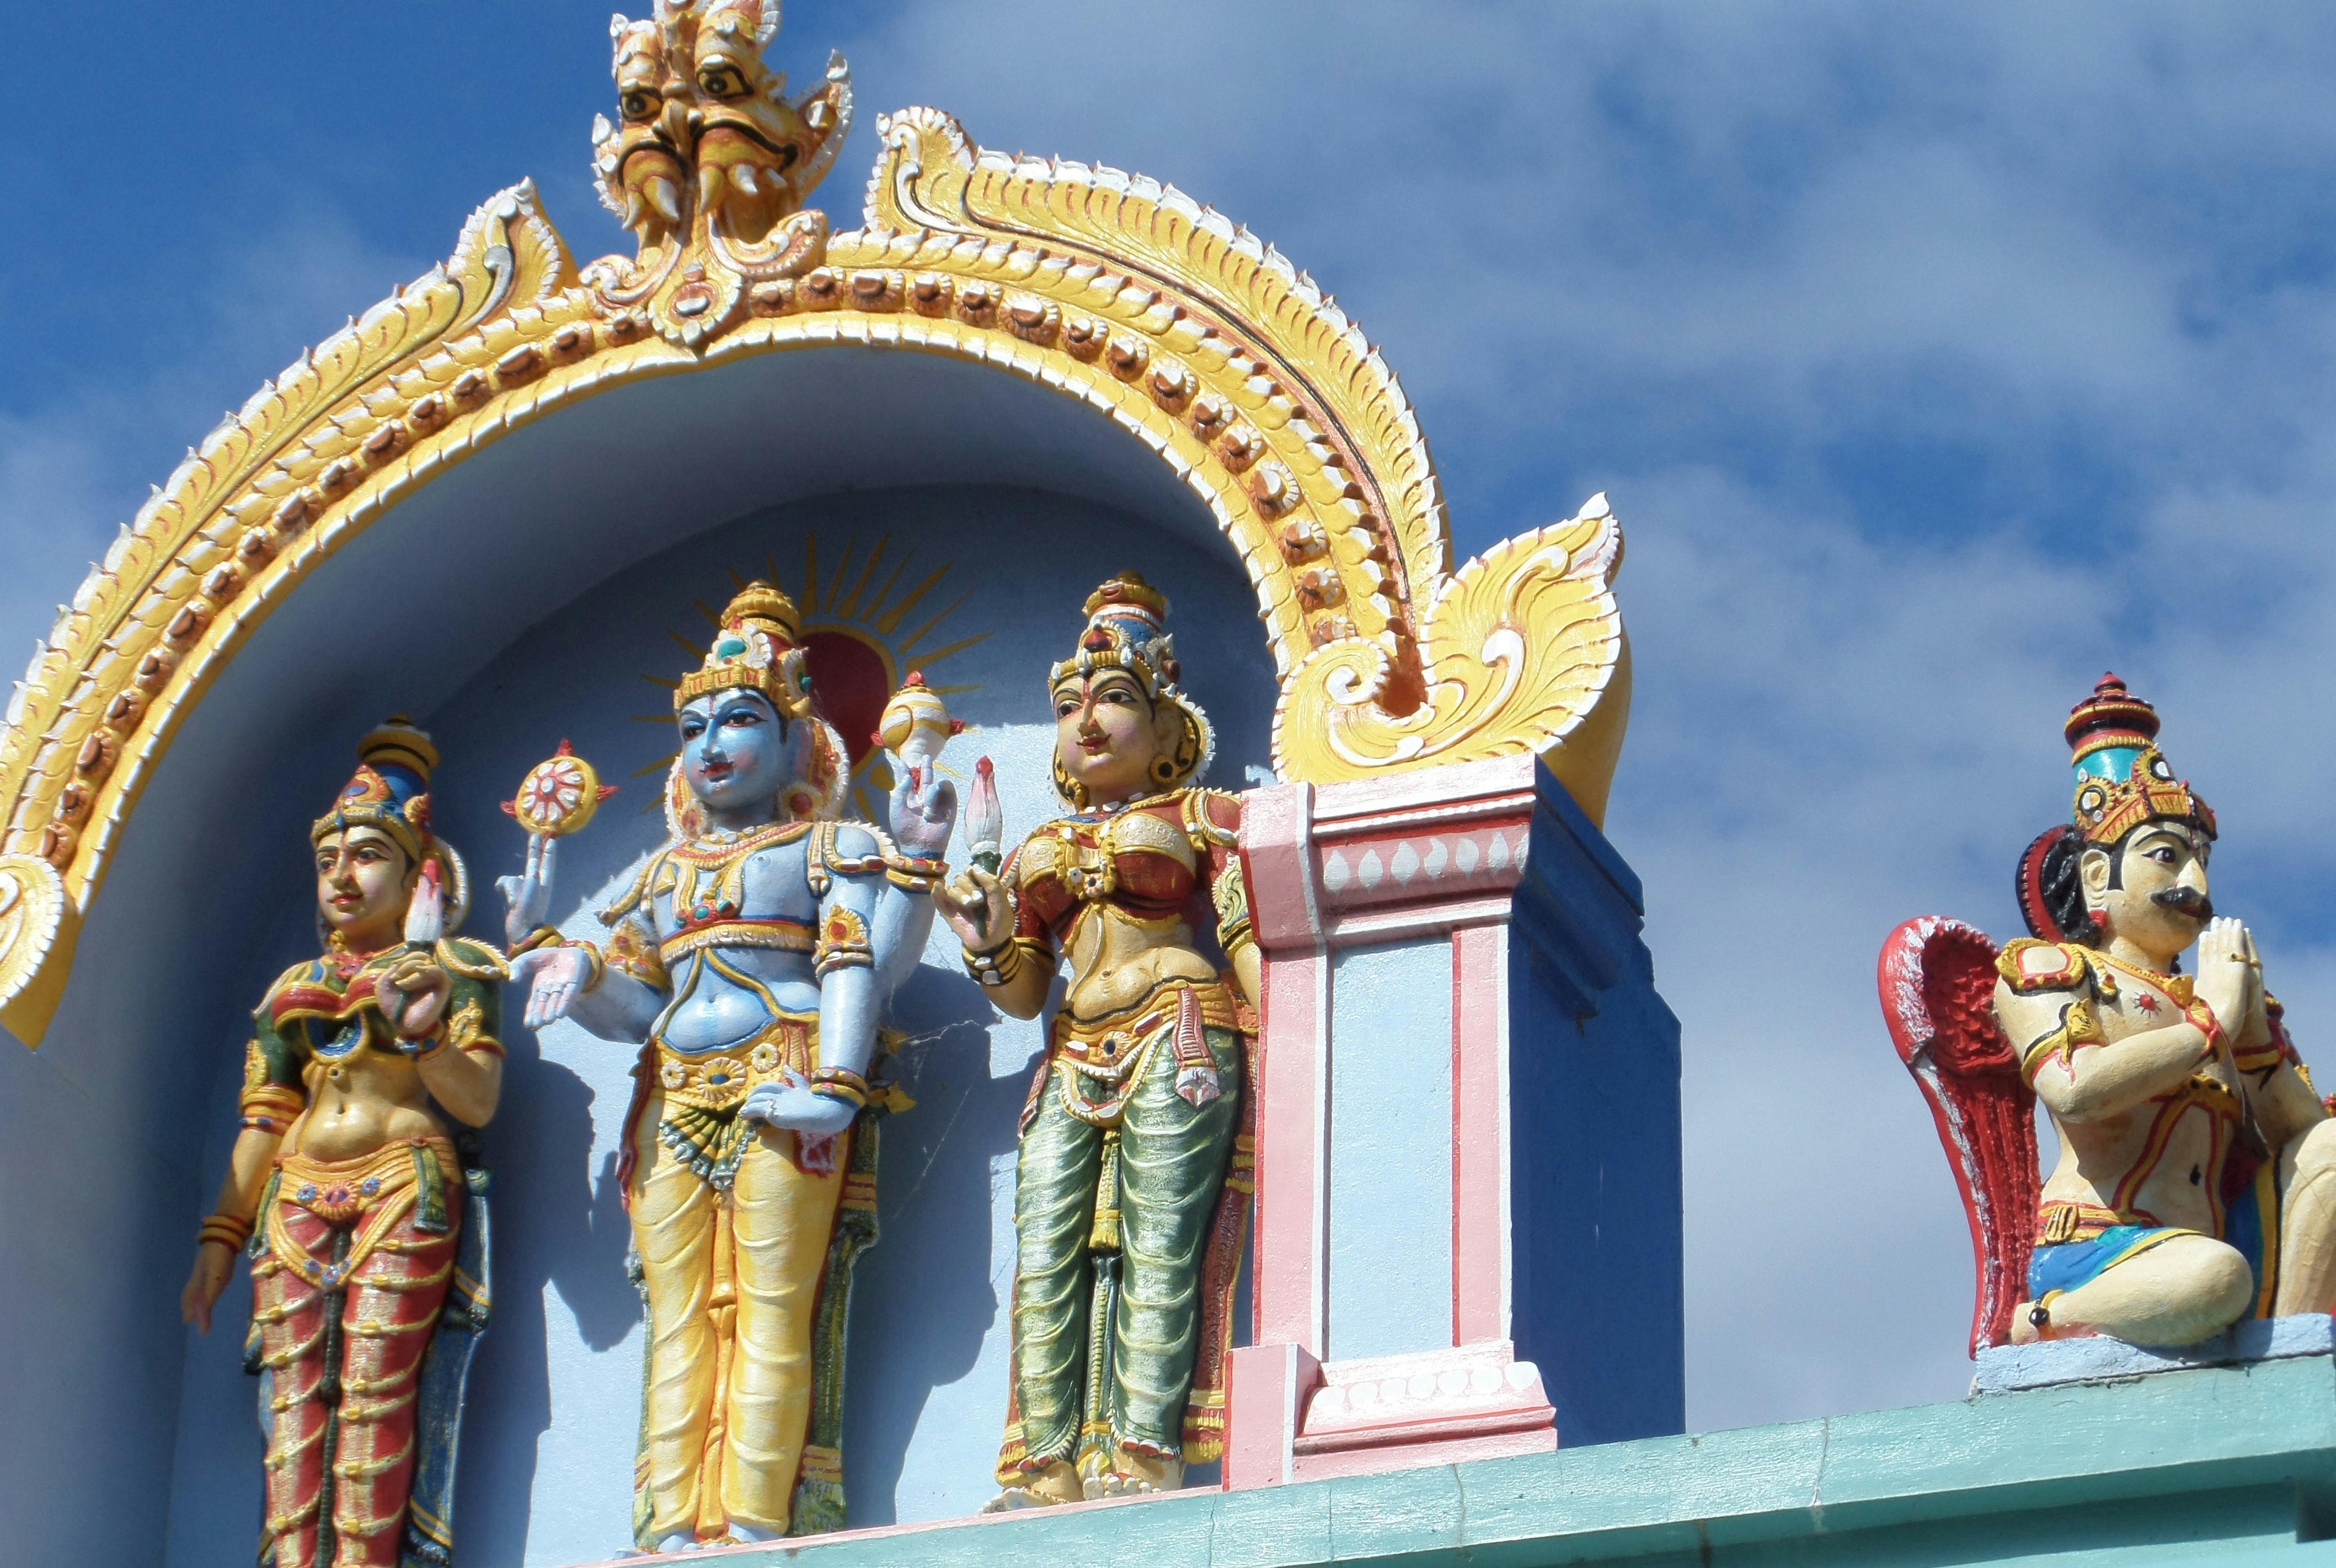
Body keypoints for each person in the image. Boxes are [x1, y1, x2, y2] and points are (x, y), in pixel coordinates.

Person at [506, 582, 953, 1549]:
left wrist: (836, 1083)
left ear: (800, 739)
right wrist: (578, 967)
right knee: (677, 1317)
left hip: (784, 1080)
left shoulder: (829, 847)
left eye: (741, 718)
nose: (712, 743)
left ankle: (754, 1521)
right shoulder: (661, 877)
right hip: (671, 1094)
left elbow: (863, 962)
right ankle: (670, 1529)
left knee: (769, 1305)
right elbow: (638, 1012)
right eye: (694, 726)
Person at [936, 572, 1259, 1507]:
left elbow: (1239, 937)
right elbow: (1024, 989)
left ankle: (1145, 1456)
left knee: (1161, 1242)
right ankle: (1047, 1467)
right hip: (1072, 1047)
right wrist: (990, 936)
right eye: (1072, 703)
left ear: (1165, 731)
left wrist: (1297, 1055)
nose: (1088, 719)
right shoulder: (1042, 839)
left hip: (1180, 1029)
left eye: (1115, 698)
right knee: (1046, 1251)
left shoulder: (1204, 818)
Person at [180, 720, 505, 1568]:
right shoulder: (293, 988)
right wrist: (220, 1233)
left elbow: (479, 1097)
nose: (342, 877)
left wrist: (426, 1035)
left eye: (366, 856)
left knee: (372, 1388)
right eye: (328, 861)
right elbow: (264, 1117)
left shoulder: (451, 967)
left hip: (402, 1183)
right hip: (292, 1199)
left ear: (417, 869)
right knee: (292, 1407)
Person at [2000, 676, 2336, 1344]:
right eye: (2167, 857)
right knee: (2211, 1280)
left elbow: (2302, 1139)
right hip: (2104, 1249)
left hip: (2220, 1238)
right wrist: (2206, 1021)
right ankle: (2046, 1322)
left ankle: (2284, 1354)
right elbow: (2076, 1090)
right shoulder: (2053, 971)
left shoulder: (2221, 991)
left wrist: (2250, 1036)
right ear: (2098, 875)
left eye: (2201, 860)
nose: (2196, 886)